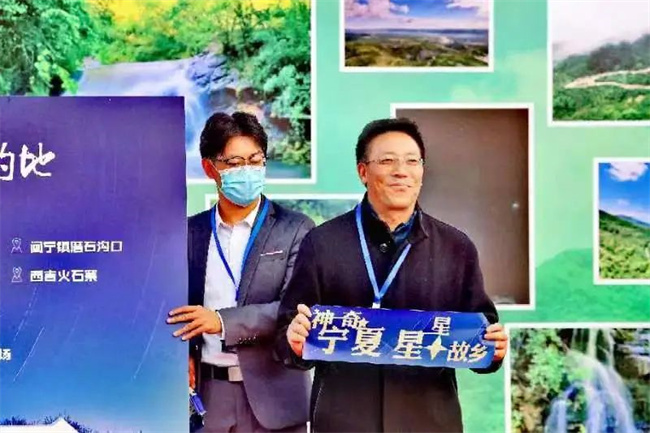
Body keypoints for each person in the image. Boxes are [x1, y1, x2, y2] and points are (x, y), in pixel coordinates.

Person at [276, 118, 509, 432]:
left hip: (429, 422)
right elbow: (285, 335)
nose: (402, 171)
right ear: (363, 172)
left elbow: (482, 334)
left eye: (412, 161)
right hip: (344, 422)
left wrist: (493, 349)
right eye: (387, 161)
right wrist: (293, 340)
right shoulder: (322, 243)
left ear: (422, 171)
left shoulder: (457, 247)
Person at [168, 112, 314, 433]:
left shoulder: (295, 229)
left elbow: (293, 309)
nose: (247, 170)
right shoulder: (189, 232)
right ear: (210, 168)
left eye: (255, 160)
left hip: (276, 398)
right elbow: (174, 308)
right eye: (234, 163)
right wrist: (180, 353)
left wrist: (222, 322)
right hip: (209, 395)